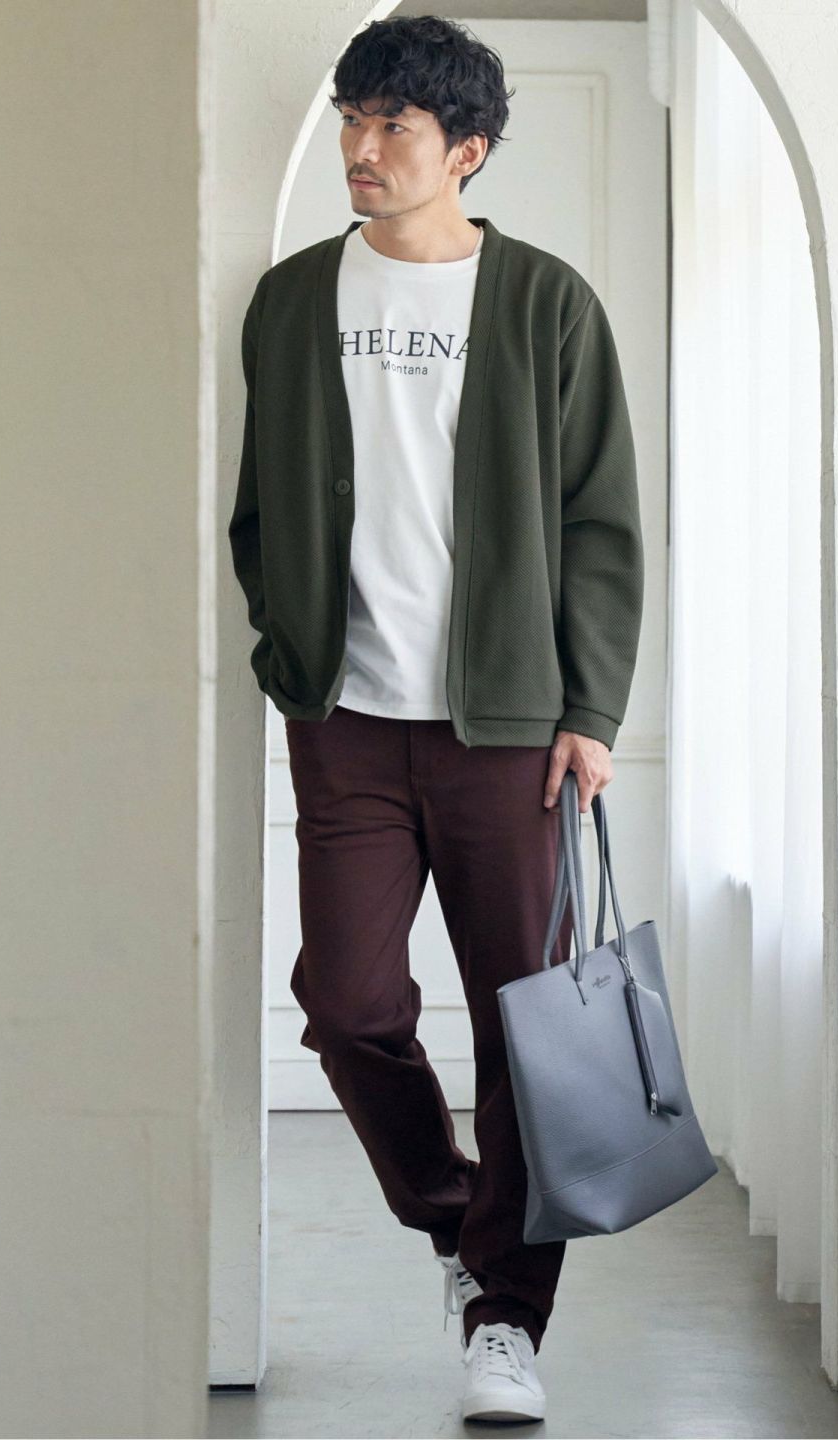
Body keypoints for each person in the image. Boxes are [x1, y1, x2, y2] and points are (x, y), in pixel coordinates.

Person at [227, 13, 643, 1424]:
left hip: (509, 733)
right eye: (354, 118)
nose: (360, 146)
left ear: (466, 150)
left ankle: (506, 1318)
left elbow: (600, 519)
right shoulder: (293, 300)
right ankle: (458, 1218)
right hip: (345, 718)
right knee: (347, 1004)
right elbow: (260, 508)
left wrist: (590, 706)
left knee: (529, 1028)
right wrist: (285, 642)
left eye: (393, 125)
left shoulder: (546, 303)